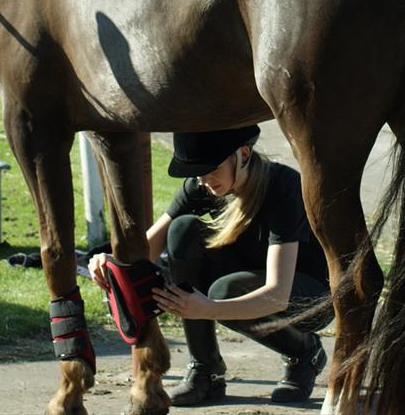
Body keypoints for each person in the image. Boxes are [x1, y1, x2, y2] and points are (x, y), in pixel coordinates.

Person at [88, 124, 331, 405]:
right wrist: (111, 265)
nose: (204, 179)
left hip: (307, 298)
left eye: (210, 168)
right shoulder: (202, 185)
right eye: (197, 171)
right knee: (182, 230)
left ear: (242, 153)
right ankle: (206, 370)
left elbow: (277, 294)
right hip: (245, 280)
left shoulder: (283, 187)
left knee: (224, 291)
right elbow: (148, 249)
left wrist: (209, 308)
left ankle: (304, 352)